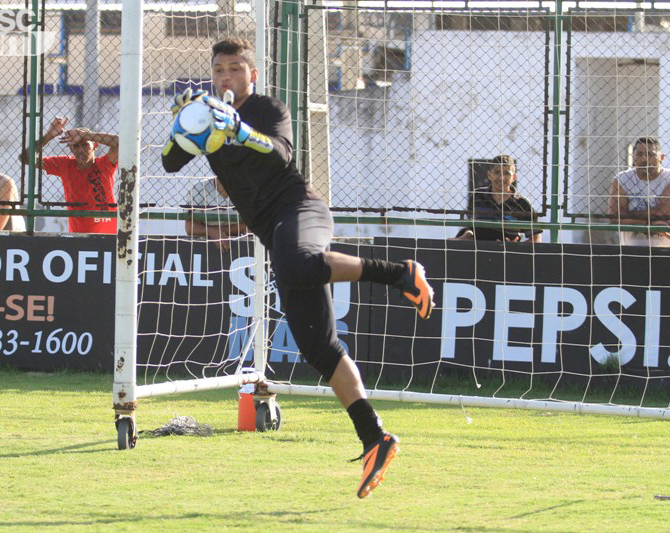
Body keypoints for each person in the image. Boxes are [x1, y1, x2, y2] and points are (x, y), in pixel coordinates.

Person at [162, 38, 434, 499]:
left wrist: (240, 130)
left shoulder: (267, 108)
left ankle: (400, 272)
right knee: (318, 347)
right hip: (275, 232)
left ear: (251, 74)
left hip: (301, 211)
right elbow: (170, 163)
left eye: (235, 68)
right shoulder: (211, 115)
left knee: (301, 261)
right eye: (218, 70)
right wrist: (185, 122)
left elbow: (281, 153)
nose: (226, 77)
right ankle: (376, 439)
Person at [19, 117, 119, 234]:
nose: (81, 150)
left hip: (110, 233)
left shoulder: (105, 163)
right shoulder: (65, 164)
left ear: (95, 145)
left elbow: (120, 143)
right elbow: (26, 158)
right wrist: (49, 136)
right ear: (70, 148)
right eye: (76, 146)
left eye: (85, 145)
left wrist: (86, 135)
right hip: (78, 235)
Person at [608, 137, 670, 247]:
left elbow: (663, 214)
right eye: (639, 154)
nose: (645, 159)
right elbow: (614, 218)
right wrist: (653, 222)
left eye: (650, 154)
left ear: (661, 157)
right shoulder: (621, 179)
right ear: (633, 157)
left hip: (669, 251)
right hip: (631, 252)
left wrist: (629, 216)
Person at [454, 155, 542, 242]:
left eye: (507, 173)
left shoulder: (523, 204)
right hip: (479, 252)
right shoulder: (477, 196)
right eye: (497, 172)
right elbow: (470, 227)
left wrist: (515, 248)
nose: (501, 178)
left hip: (508, 255)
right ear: (489, 175)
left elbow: (536, 239)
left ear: (514, 177)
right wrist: (465, 236)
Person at [184, 177, 248, 251]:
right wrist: (211, 232)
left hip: (242, 244)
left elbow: (251, 226)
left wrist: (215, 231)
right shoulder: (199, 188)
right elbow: (190, 227)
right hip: (204, 245)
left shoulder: (249, 189)